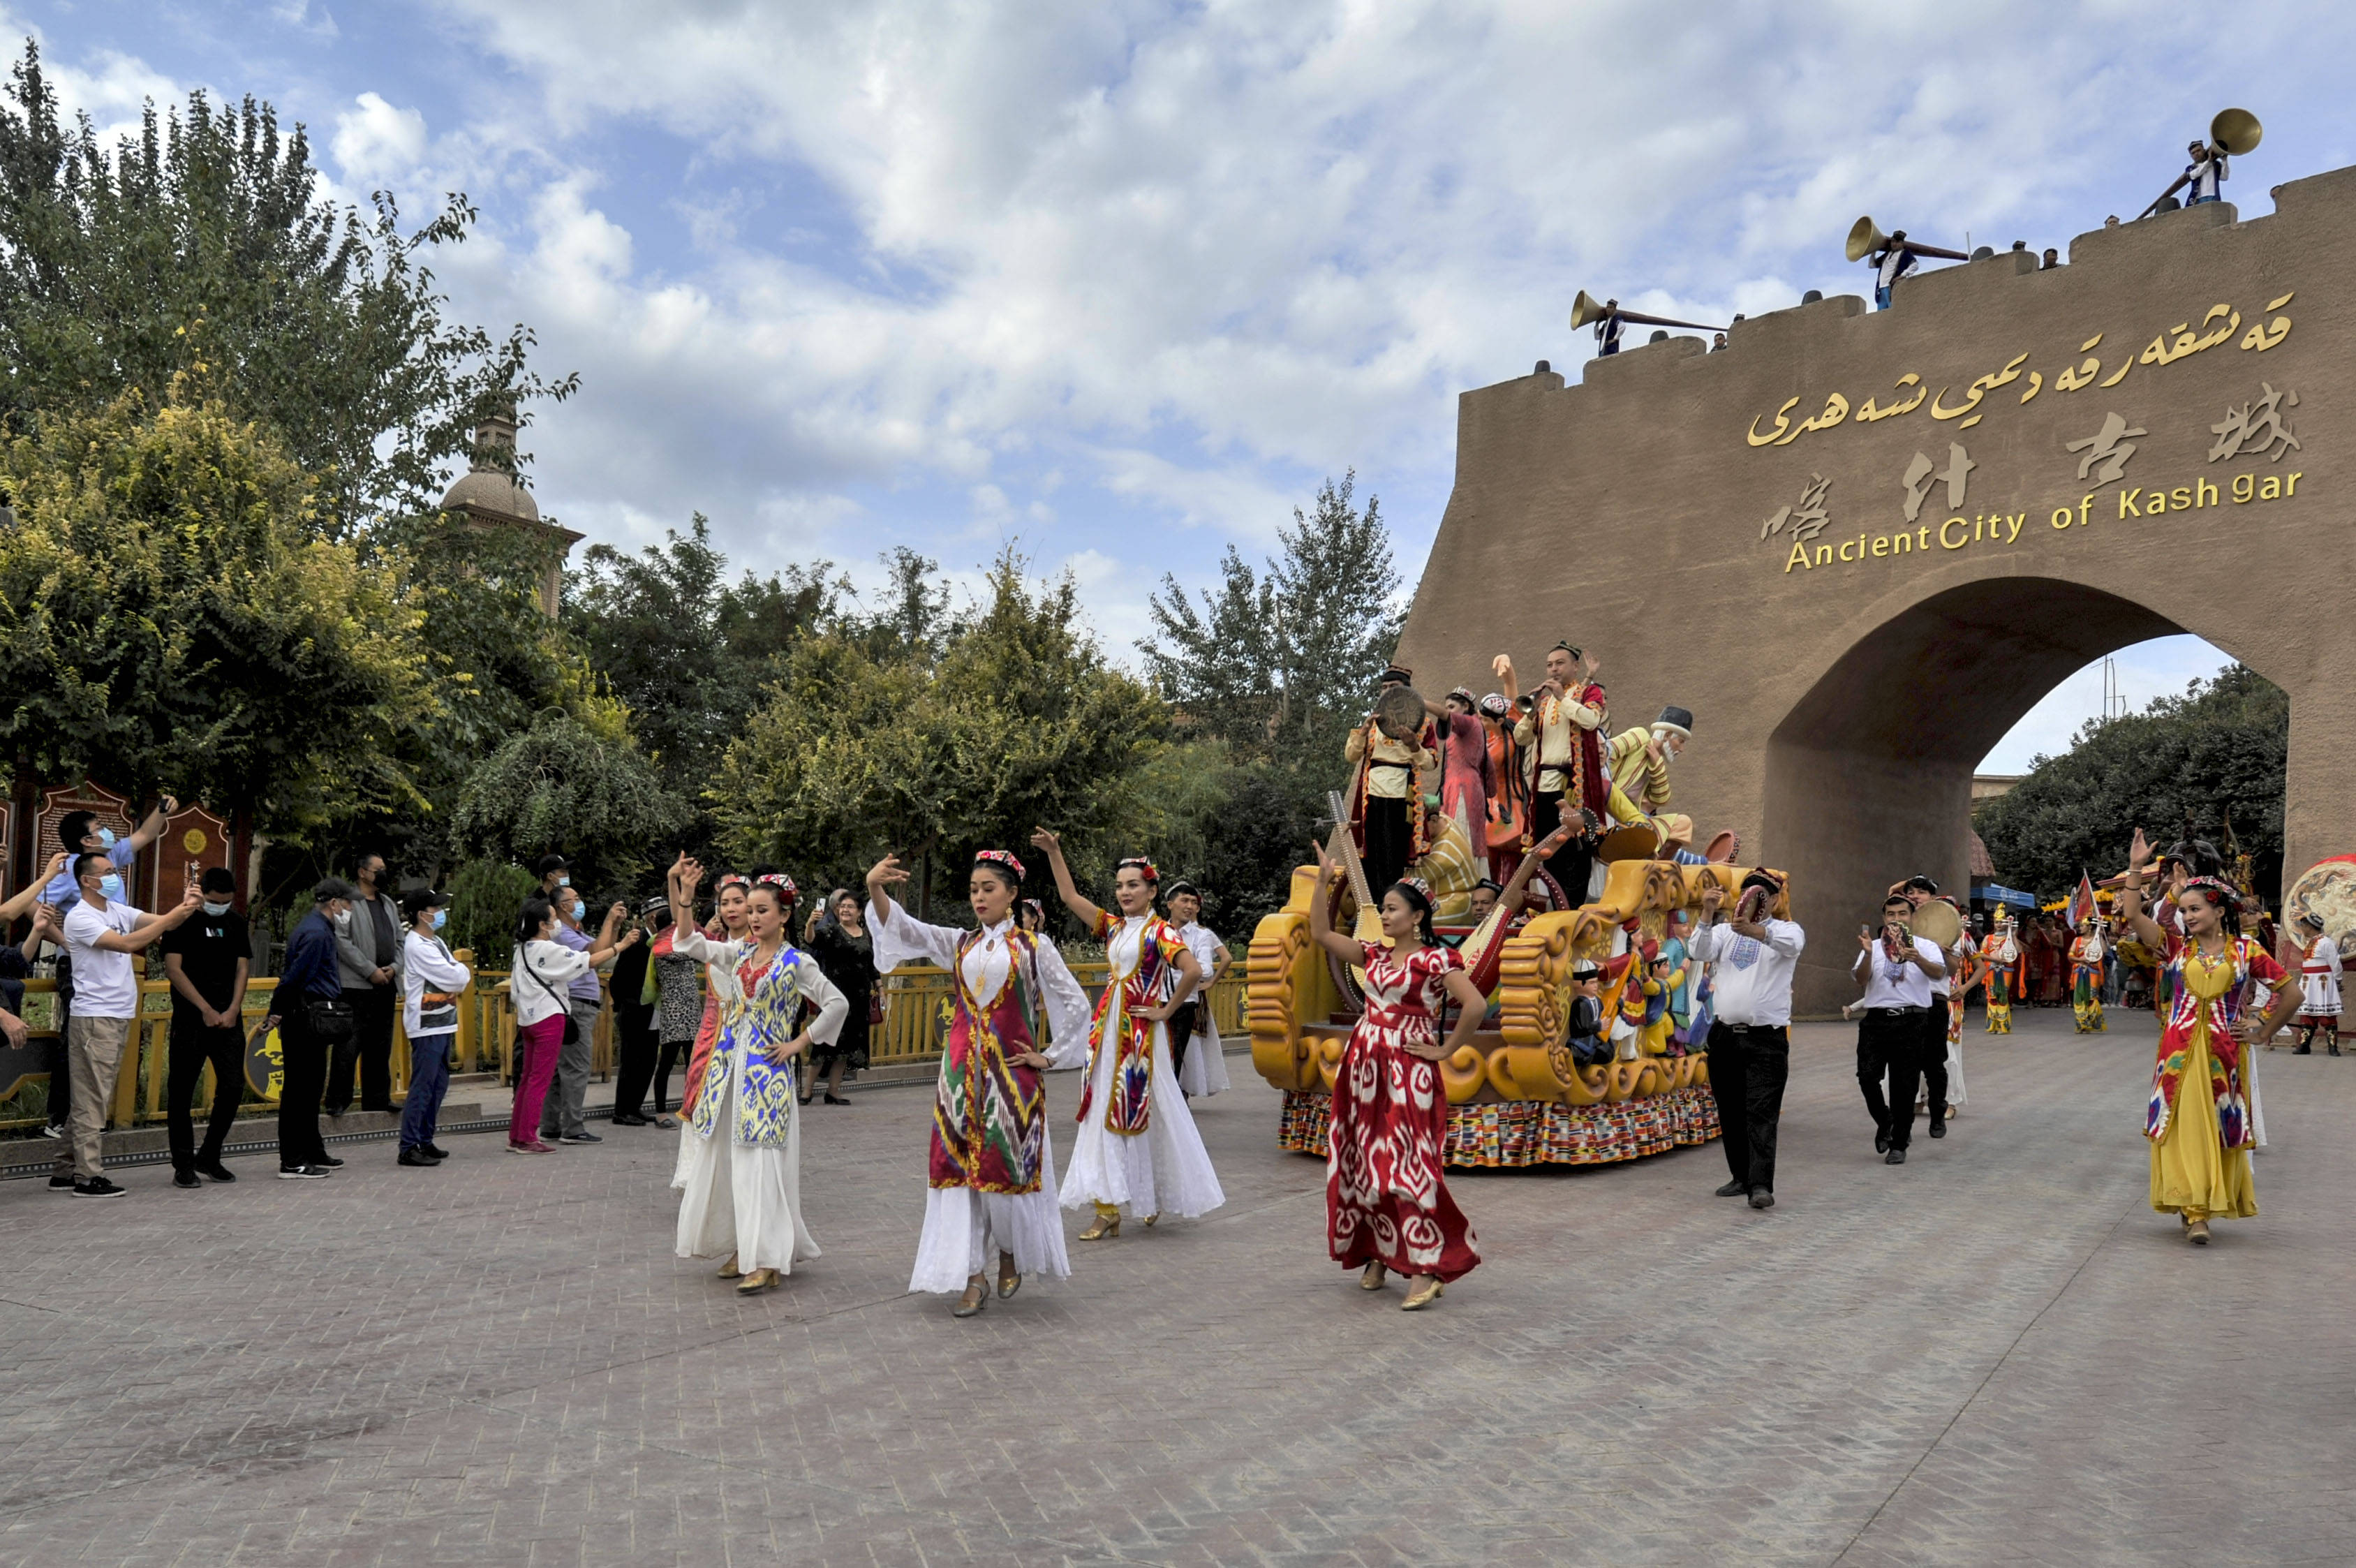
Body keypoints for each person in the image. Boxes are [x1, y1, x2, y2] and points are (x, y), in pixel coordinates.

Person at [866, 847, 1093, 1318]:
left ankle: (1010, 1251)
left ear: (1012, 894)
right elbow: (906, 930)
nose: (979, 897)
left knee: (1004, 1172)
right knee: (957, 1176)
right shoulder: (960, 942)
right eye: (973, 890)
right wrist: (875, 888)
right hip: (958, 1078)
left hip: (1011, 1079)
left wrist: (1048, 1056)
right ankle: (972, 1275)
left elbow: (1076, 1005)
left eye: (988, 888)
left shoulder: (1034, 948)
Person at [1305, 848, 1488, 1310]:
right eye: (1383, 909)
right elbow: (1320, 933)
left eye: (1391, 909)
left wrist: (1446, 1049)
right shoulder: (1373, 955)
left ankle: (1426, 1267)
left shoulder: (1434, 961)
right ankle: (1378, 1253)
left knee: (1405, 1167)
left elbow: (1476, 1005)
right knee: (1362, 1163)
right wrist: (1323, 884)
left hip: (1408, 1072)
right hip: (1364, 1068)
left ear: (1416, 915)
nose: (1383, 916)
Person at [1030, 831, 1224, 1239]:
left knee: (1148, 1110)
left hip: (1139, 1037)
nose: (1124, 892)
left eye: (1133, 884)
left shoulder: (1161, 933)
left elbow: (1192, 971)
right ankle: (1109, 1206)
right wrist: (1055, 853)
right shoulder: (1116, 928)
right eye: (1119, 886)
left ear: (1153, 890)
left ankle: (1143, 1195)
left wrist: (1165, 1012)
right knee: (1104, 1111)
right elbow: (1069, 897)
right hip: (1107, 1035)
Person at [669, 862, 847, 1296]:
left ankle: (766, 1258)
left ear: (784, 915)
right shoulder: (741, 954)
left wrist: (798, 1043)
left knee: (761, 1167)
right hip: (728, 1071)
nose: (752, 917)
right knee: (731, 1163)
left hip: (766, 1078)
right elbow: (690, 942)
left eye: (762, 910)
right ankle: (743, 1248)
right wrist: (687, 897)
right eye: (749, 910)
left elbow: (837, 1004)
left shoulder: (796, 963)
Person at [2119, 829, 2299, 1244]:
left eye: (2195, 908)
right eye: (2183, 910)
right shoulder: (2175, 949)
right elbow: (2132, 915)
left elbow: (2291, 993)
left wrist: (2262, 1030)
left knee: (2214, 1129)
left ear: (2218, 910)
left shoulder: (2246, 952)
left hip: (2223, 1055)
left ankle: (2200, 1207)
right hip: (2177, 1055)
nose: (2188, 916)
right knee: (2182, 1130)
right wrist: (2135, 868)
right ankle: (2194, 1211)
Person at [51, 856, 205, 1196]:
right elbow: (127, 944)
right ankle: (88, 1177)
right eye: (106, 873)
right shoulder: (80, 917)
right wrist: (173, 918)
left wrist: (187, 906)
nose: (113, 877)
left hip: (117, 1014)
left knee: (92, 1095)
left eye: (113, 871)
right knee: (93, 1098)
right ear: (87, 881)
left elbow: (162, 922)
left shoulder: (118, 911)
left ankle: (64, 1170)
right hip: (95, 1017)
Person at [38, 799, 173, 1138]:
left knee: (103, 1050)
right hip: (82, 964)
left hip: (114, 960)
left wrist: (162, 808)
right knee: (78, 1043)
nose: (108, 833)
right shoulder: (73, 868)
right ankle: (60, 1118)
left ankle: (85, 1123)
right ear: (86, 840)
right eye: (100, 829)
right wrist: (65, 941)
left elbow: (145, 834)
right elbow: (36, 908)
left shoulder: (107, 859)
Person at [1691, 871, 1802, 1208]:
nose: (1755, 900)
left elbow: (1790, 946)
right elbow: (1699, 950)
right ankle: (1740, 1176)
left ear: (1774, 899)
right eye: (1750, 893)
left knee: (1761, 1111)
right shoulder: (1726, 931)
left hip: (1765, 1038)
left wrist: (1757, 931)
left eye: (1763, 894)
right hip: (1725, 1034)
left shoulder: (1787, 930)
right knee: (1730, 1110)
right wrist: (1708, 913)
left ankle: (1760, 1185)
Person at [508, 895, 638, 1155]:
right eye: (553, 919)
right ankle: (528, 1137)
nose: (557, 923)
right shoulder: (547, 949)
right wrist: (620, 946)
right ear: (543, 925)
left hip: (529, 1019)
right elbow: (586, 961)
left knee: (528, 1079)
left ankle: (518, 1135)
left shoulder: (522, 949)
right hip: (550, 1019)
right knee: (540, 1080)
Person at [159, 867, 251, 1188]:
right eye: (214, 901)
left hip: (228, 1021)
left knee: (233, 1086)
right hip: (191, 1020)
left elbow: (243, 966)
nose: (220, 906)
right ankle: (182, 1163)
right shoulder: (181, 921)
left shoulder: (236, 922)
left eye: (226, 902)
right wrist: (205, 1008)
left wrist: (233, 1009)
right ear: (202, 892)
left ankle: (210, 1154)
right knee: (181, 1092)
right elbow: (173, 969)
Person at [265, 879, 357, 1179]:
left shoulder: (319, 929)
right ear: (334, 904)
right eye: (348, 903)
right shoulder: (316, 934)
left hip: (309, 1016)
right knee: (299, 1091)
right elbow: (293, 978)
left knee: (311, 1087)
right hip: (303, 1016)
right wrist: (277, 1011)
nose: (351, 908)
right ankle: (292, 1161)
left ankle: (312, 1150)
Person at [1849, 893, 1945, 1165]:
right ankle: (1886, 1120)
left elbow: (1939, 974)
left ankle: (1899, 1143)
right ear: (1884, 918)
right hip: (1877, 1020)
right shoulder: (1874, 945)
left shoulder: (1925, 946)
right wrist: (1868, 955)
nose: (1896, 919)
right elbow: (1860, 979)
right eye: (1891, 915)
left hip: (1912, 1020)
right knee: (1867, 1077)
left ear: (1912, 917)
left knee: (1904, 1085)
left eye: (1902, 914)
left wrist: (1917, 959)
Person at [1509, 641, 1607, 898]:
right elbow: (1521, 739)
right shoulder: (1542, 703)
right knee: (1549, 855)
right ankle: (1557, 907)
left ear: (1575, 667)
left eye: (1560, 663)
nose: (1553, 669)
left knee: (1576, 853)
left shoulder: (1589, 693)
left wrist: (1563, 698)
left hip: (1574, 788)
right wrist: (1529, 715)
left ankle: (1572, 912)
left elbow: (1591, 721)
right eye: (1549, 665)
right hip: (1544, 787)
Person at [542, 889, 630, 1148]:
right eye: (576, 898)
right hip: (577, 1005)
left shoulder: (574, 932)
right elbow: (594, 954)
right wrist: (608, 923)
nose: (580, 902)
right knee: (576, 1068)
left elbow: (605, 954)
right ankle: (572, 1127)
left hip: (576, 1005)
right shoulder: (563, 934)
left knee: (561, 1069)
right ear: (563, 906)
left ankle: (550, 1127)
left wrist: (614, 927)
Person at [1343, 665, 1436, 896]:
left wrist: (1414, 746)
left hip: (1402, 795)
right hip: (1372, 794)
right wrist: (1363, 731)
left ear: (1406, 690)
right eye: (1383, 687)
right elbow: (1351, 756)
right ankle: (1371, 904)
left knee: (1394, 852)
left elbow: (1430, 763)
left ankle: (1391, 902)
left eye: (1393, 687)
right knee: (1371, 853)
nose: (1387, 691)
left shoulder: (1422, 723)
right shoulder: (1374, 722)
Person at [325, 851, 402, 1116]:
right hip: (355, 986)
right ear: (362, 872)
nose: (383, 873)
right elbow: (341, 940)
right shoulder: (348, 903)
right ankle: (338, 1100)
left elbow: (400, 942)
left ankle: (378, 1098)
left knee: (381, 1045)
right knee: (349, 1044)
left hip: (386, 985)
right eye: (377, 869)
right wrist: (369, 970)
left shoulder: (388, 903)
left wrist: (393, 968)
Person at [397, 889, 470, 1167]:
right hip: (426, 1024)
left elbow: (458, 974)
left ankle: (425, 1140)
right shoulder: (417, 945)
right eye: (435, 908)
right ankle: (408, 1146)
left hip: (443, 1021)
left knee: (439, 1084)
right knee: (423, 1086)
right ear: (420, 915)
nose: (440, 912)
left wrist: (459, 973)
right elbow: (456, 977)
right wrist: (459, 973)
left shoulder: (436, 941)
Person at [801, 887, 875, 1105]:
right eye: (842, 907)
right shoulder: (832, 931)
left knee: (847, 1045)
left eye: (850, 907)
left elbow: (870, 964)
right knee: (823, 1041)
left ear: (860, 912)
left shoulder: (865, 934)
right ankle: (807, 1091)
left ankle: (833, 1091)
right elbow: (812, 941)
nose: (845, 910)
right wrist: (809, 924)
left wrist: (879, 988)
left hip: (859, 997)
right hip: (834, 996)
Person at [1164, 881, 1232, 1099]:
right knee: (1157, 1054)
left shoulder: (1201, 935)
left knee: (1179, 1053)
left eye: (1194, 902)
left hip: (1186, 1002)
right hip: (1157, 1001)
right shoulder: (1157, 931)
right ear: (1170, 904)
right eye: (1185, 900)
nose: (1190, 906)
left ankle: (1177, 1099)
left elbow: (1206, 970)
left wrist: (1208, 981)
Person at [609, 896, 667, 1125]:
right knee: (631, 1062)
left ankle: (636, 1106)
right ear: (653, 918)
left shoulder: (662, 943)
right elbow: (619, 978)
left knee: (648, 1060)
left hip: (654, 1010)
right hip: (634, 1009)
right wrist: (624, 1004)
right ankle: (622, 1111)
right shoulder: (637, 942)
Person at [1421, 686, 1494, 858]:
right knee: (1467, 839)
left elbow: (1443, 715)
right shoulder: (1476, 728)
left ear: (1466, 707)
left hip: (1462, 789)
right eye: (1446, 706)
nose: (1447, 711)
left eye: (1452, 707)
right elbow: (1488, 765)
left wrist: (1418, 701)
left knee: (1460, 839)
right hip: (1467, 787)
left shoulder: (1469, 723)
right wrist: (1489, 792)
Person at [1475, 693, 1528, 885]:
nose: (1479, 721)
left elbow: (1480, 769)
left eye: (1483, 719)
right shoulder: (1500, 731)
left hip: (1505, 802)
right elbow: (1512, 699)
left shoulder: (1501, 749)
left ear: (1498, 720)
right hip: (1500, 801)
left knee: (1505, 858)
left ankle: (1505, 899)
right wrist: (1508, 675)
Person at [2290, 912, 2341, 1055]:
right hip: (2309, 982)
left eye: (2303, 926)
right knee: (2308, 1013)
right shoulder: (2311, 942)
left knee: (2326, 1013)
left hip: (2322, 981)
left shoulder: (2326, 943)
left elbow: (2335, 963)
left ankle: (2333, 1047)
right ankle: (2304, 1045)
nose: (2302, 929)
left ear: (2309, 926)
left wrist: (2337, 980)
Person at [1982, 910, 2021, 1032]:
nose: (1998, 924)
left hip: (2006, 969)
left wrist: (2013, 935)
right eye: (1996, 922)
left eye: (2001, 922)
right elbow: (1982, 954)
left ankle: (2003, 1026)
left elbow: (2018, 951)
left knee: (2003, 995)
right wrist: (1994, 959)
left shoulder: (2009, 938)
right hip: (1992, 969)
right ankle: (1992, 1025)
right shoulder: (1988, 938)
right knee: (1992, 995)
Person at [2070, 918, 2110, 1033]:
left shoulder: (2096, 940)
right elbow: (2070, 955)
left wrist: (2101, 935)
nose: (2080, 928)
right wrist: (2079, 959)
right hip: (2080, 970)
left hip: (2093, 970)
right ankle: (2082, 1023)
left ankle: (2091, 1022)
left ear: (2090, 927)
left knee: (2092, 996)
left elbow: (2104, 951)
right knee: (2079, 997)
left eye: (2082, 926)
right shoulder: (2077, 940)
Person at [1867, 231, 1920, 310]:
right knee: (1881, 315)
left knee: (1894, 311)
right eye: (1893, 241)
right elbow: (1872, 265)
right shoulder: (1887, 254)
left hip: (1891, 288)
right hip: (1880, 289)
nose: (1894, 244)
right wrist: (1873, 251)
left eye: (1897, 242)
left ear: (1902, 243)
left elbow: (1915, 265)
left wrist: (1902, 276)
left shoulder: (1905, 253)